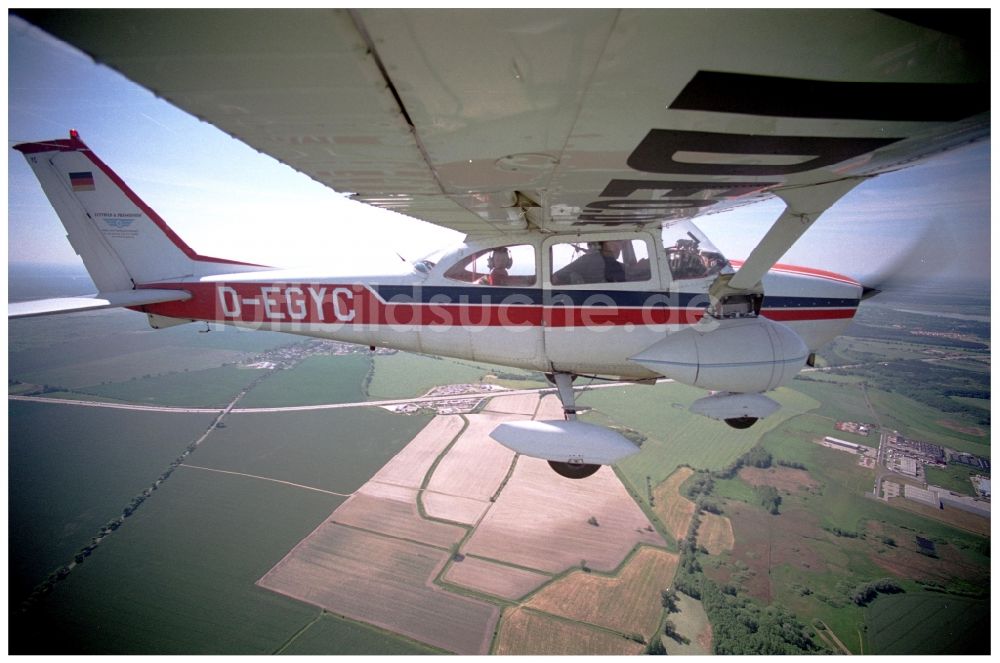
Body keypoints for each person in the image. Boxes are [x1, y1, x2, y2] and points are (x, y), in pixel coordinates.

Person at [552, 241, 626, 284]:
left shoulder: (585, 260)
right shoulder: (587, 260)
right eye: (614, 245)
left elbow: (555, 277)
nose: (619, 249)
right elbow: (556, 277)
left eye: (619, 246)